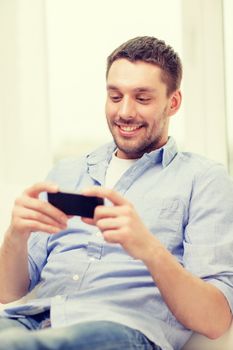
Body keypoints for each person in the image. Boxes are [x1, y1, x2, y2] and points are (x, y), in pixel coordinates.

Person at [0, 36, 233, 350]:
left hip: (120, 329)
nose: (125, 111)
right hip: (29, 318)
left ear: (173, 102)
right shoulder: (67, 172)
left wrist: (148, 247)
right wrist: (17, 233)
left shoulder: (204, 179)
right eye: (115, 96)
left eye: (142, 98)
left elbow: (215, 320)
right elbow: (8, 291)